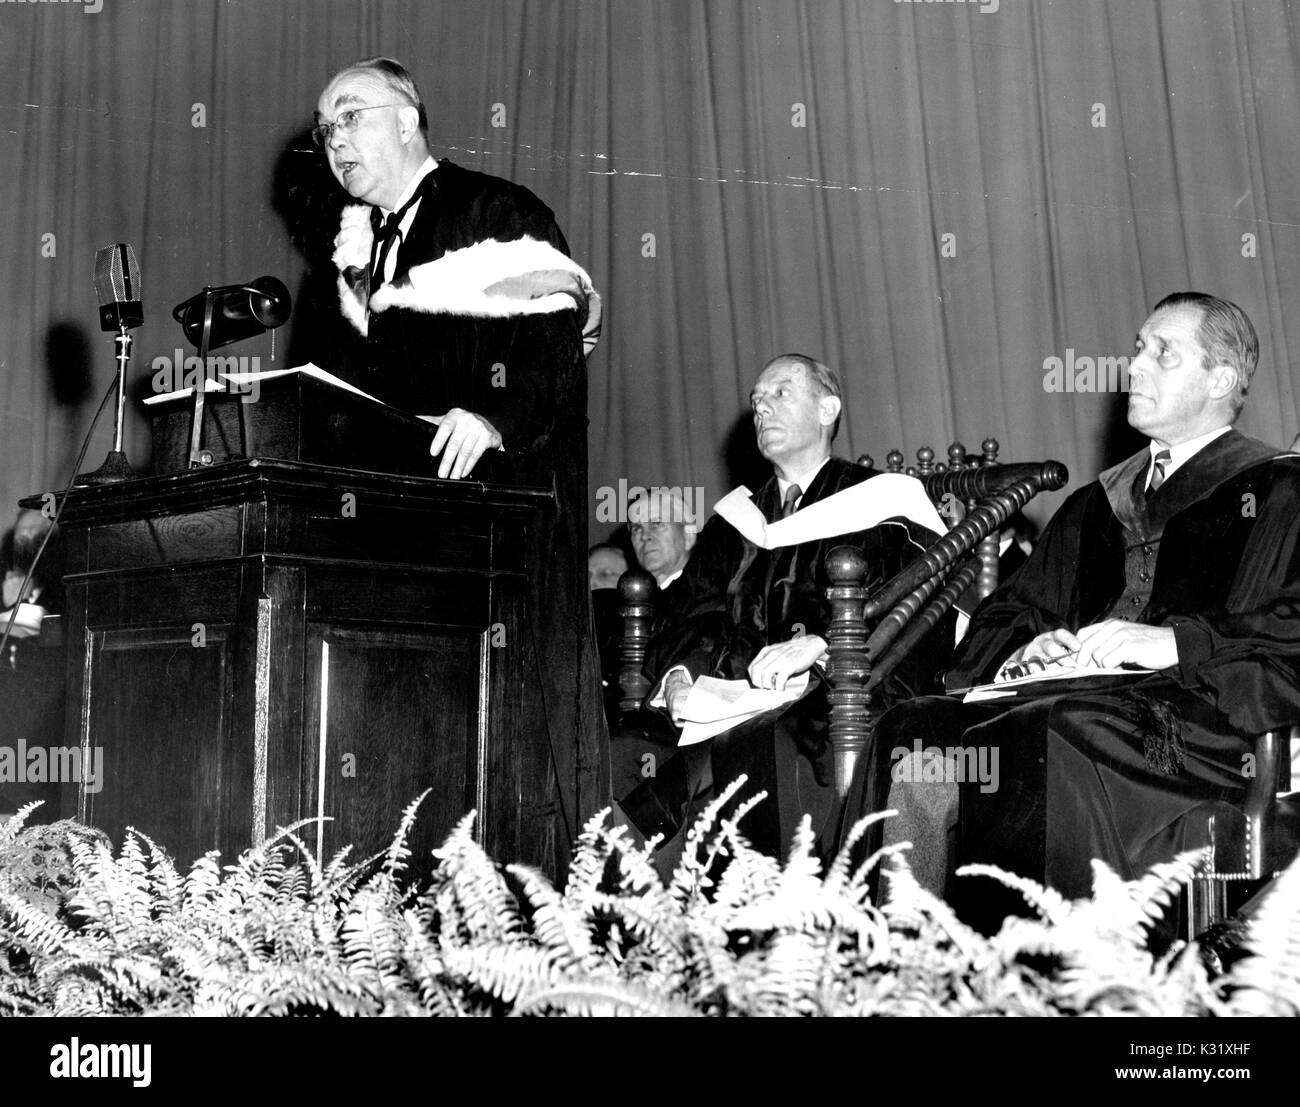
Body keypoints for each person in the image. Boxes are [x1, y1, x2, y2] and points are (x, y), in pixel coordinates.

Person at [861, 292, 1300, 931]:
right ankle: (908, 961)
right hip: (1076, 703)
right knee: (913, 729)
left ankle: (1035, 980)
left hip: (1202, 724)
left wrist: (1175, 642)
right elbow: (1012, 609)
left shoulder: (1281, 489)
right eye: (1139, 348)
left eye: (1162, 353)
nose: (1135, 367)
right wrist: (1021, 650)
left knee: (1043, 731)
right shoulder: (1096, 503)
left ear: (1222, 379)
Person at [313, 57, 607, 860]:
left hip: (506, 525)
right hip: (408, 538)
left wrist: (492, 415)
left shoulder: (494, 210)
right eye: (325, 127)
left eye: (351, 116)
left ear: (408, 120)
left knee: (519, 755)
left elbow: (555, 345)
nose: (334, 139)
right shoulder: (357, 255)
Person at [620, 354, 952, 858]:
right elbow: (693, 611)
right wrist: (682, 677)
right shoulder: (735, 521)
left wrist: (826, 645)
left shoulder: (884, 503)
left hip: (832, 695)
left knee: (751, 749)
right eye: (756, 401)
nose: (762, 409)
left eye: (780, 394)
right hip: (722, 698)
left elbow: (921, 606)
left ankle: (652, 881)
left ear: (827, 409)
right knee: (625, 743)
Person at [628, 487, 697, 590]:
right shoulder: (635, 600)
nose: (644, 536)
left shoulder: (712, 597)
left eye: (656, 523)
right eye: (637, 529)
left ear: (688, 536)